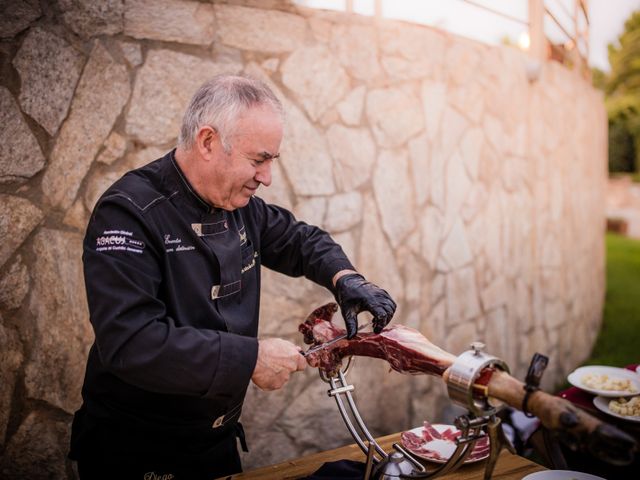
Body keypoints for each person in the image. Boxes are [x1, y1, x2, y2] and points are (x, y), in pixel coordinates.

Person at [69, 74, 397, 479]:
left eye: (271, 162)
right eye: (258, 159)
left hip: (216, 443)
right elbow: (131, 342)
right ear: (208, 142)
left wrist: (346, 279)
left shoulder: (240, 205)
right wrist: (251, 358)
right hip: (137, 451)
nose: (266, 177)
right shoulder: (129, 213)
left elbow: (299, 240)